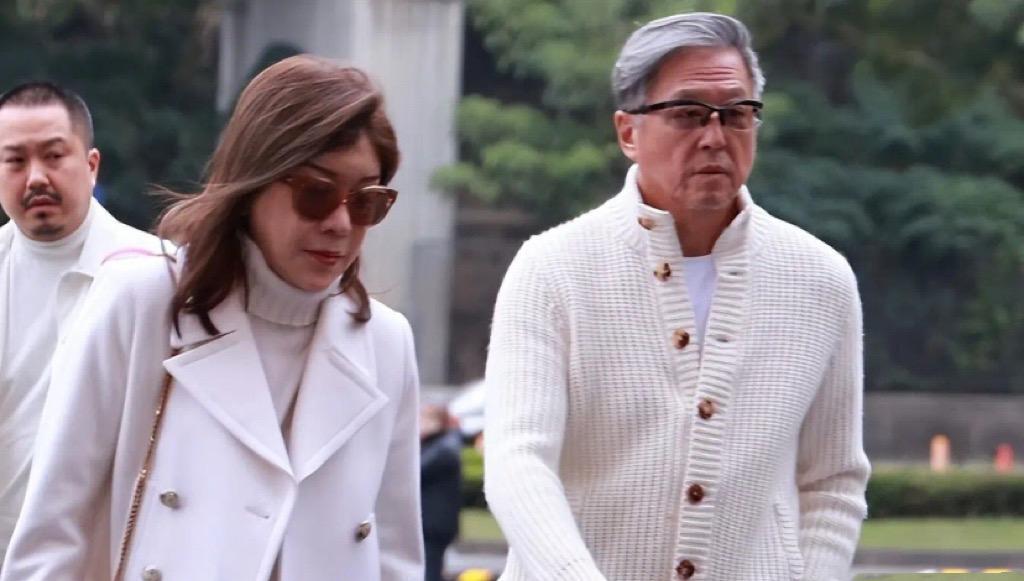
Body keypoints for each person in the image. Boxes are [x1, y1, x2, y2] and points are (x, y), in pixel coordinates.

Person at [2, 55, 423, 580]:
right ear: (253, 183)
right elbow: (51, 537)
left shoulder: (386, 342)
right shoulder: (142, 300)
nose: (340, 223)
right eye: (315, 194)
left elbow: (395, 560)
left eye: (366, 202)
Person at [484, 12, 870, 581]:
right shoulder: (552, 269)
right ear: (628, 132)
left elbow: (832, 481)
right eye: (687, 113)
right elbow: (518, 461)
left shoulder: (820, 280)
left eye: (736, 114)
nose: (715, 136)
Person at [0, 81, 163, 564]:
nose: (36, 178)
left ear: (92, 165)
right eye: (15, 161)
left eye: (54, 156)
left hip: (118, 559)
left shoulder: (160, 276)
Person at [419, 404, 462, 581]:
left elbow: (417, 472)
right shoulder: (438, 445)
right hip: (434, 523)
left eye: (425, 419)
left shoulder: (443, 449)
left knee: (430, 569)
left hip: (433, 524)